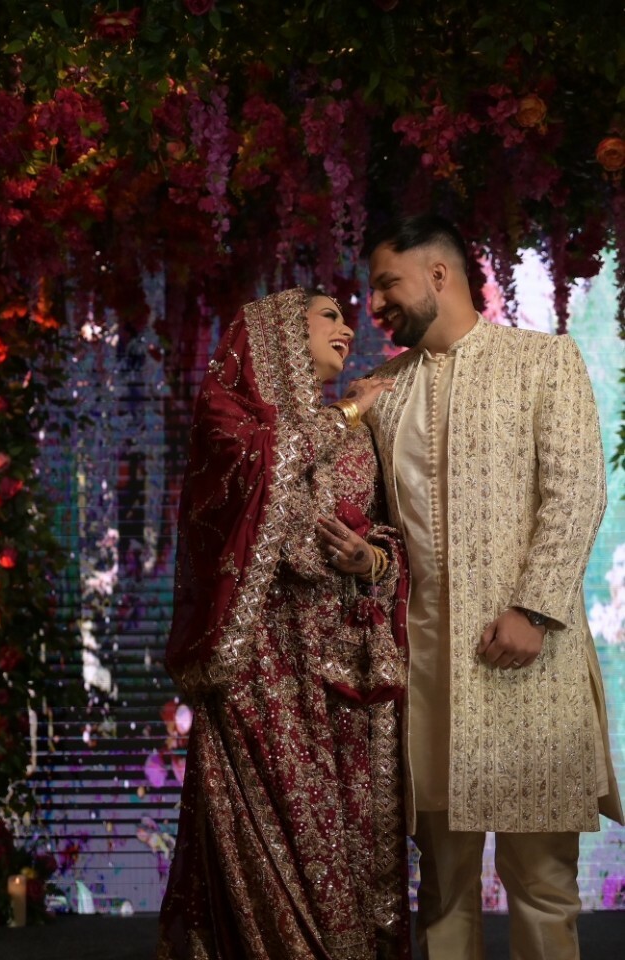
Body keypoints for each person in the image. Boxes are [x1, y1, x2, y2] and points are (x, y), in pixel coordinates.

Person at [361, 213, 624, 960]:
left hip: (527, 665)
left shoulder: (542, 362)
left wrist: (533, 607)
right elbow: (384, 530)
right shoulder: (387, 395)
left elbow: (576, 492)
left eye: (387, 283)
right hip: (427, 671)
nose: (375, 305)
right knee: (442, 891)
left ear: (438, 275)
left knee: (541, 884)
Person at [156, 287, 411, 960]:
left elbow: (395, 545)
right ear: (276, 334)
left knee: (351, 842)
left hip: (345, 678)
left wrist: (371, 560)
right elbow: (259, 474)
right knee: (276, 839)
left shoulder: (363, 438)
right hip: (260, 673)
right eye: (328, 314)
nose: (346, 325)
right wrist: (351, 410)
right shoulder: (231, 423)